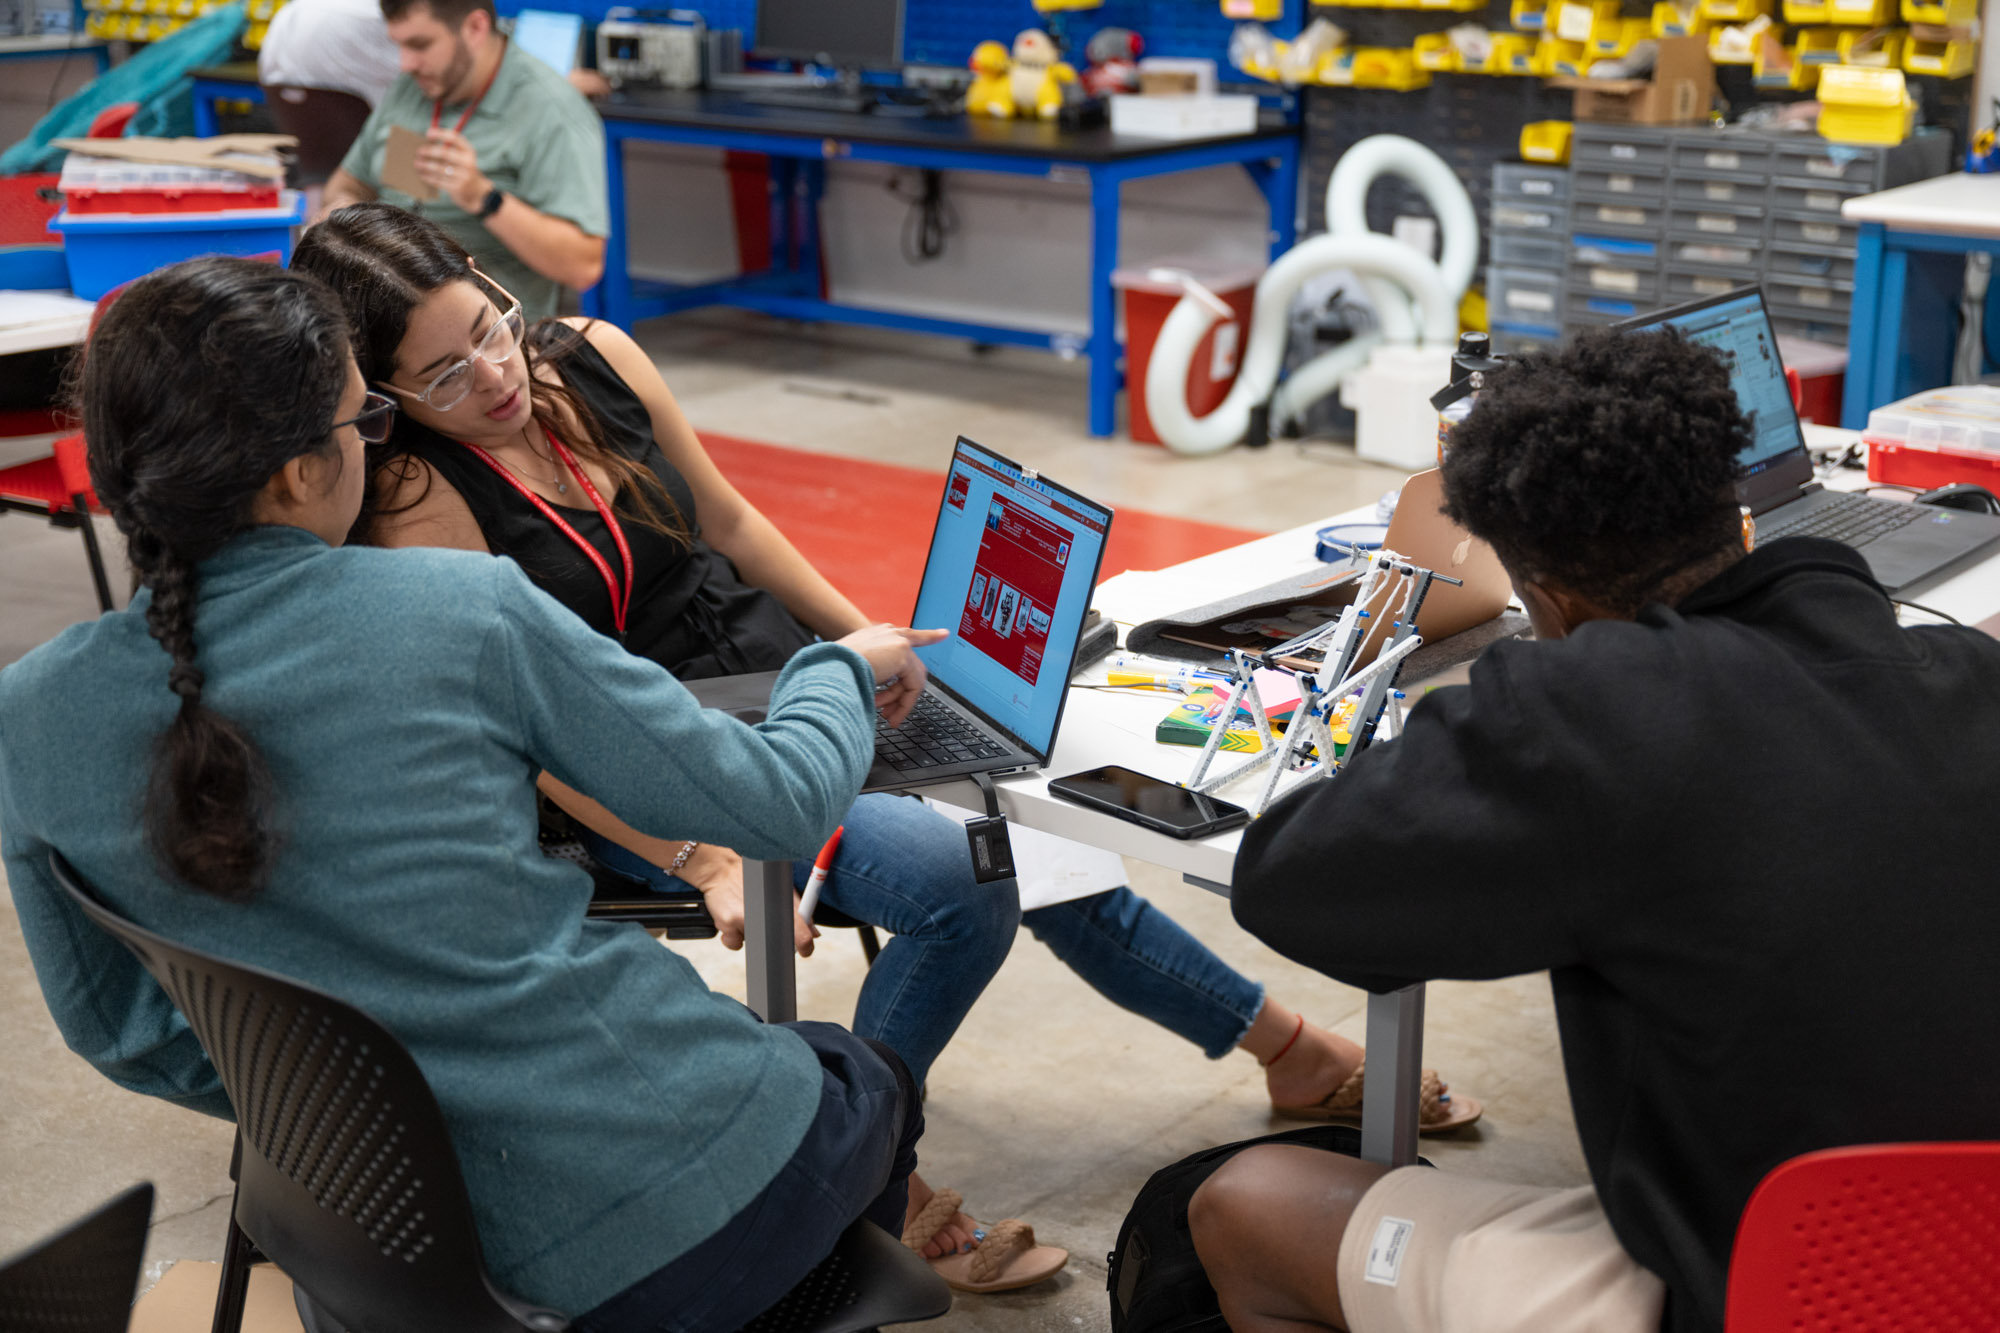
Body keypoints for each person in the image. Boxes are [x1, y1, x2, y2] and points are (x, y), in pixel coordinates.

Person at [291, 201, 1484, 1274]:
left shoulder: (592, 356)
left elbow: (732, 521)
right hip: (643, 763)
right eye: (442, 374)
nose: (492, 375)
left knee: (1032, 796)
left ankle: (1281, 1048)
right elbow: (529, 733)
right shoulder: (414, 501)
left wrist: (873, 647)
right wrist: (699, 858)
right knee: (965, 882)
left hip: (784, 683)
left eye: (489, 329)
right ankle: (863, 1166)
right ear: (381, 396)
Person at [0, 256, 945, 1333]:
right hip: (652, 1203)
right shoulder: (462, 612)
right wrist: (834, 670)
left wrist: (351, 1122)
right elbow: (776, 801)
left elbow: (120, 1036)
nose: (375, 446)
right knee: (865, 1075)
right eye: (367, 424)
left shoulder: (29, 715)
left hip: (368, 1255)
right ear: (301, 473)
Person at [1188, 327, 2000, 1333]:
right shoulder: (1965, 674)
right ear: (1738, 522)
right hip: (1975, 1264)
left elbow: (1287, 884)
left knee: (1243, 1206)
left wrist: (1505, 709)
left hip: (1766, 1291)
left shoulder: (1596, 719)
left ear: (1553, 604)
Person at [320, 0, 606, 318]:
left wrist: (483, 198)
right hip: (381, 312)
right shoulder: (414, 88)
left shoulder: (551, 111)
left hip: (483, 334)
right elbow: (347, 185)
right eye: (399, 45)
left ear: (475, 28)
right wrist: (343, 213)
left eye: (420, 44)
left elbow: (582, 265)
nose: (406, 63)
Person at [257, 0, 402, 109]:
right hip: (378, 137)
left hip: (304, 135)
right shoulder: (373, 15)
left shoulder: (291, 12)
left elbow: (268, 76)